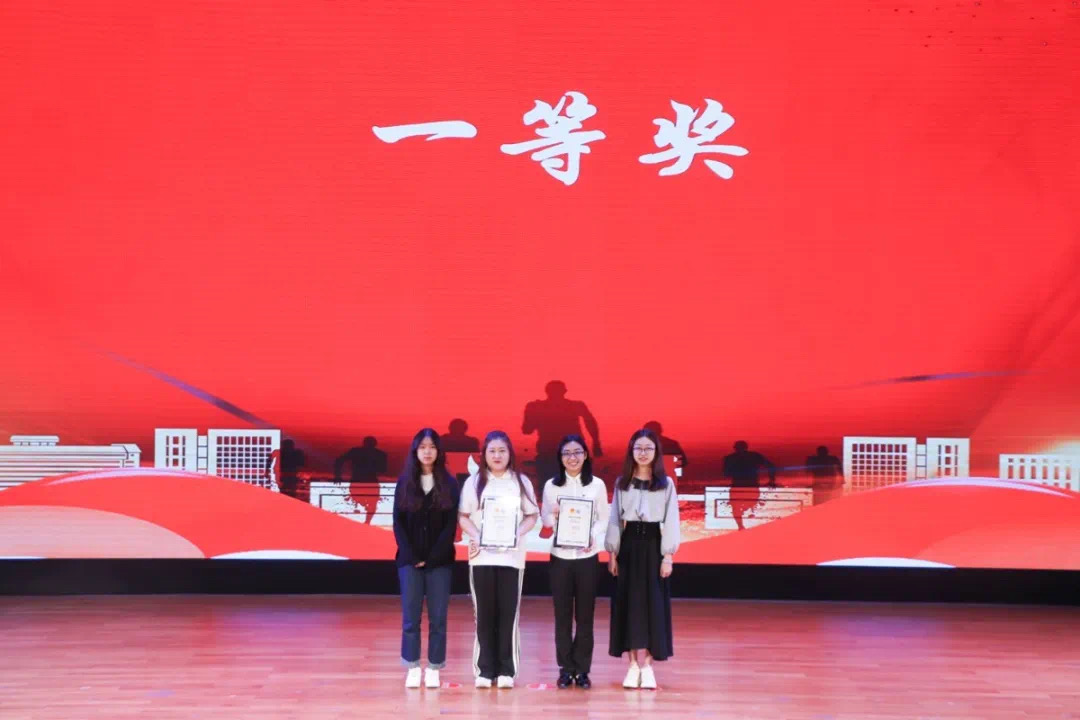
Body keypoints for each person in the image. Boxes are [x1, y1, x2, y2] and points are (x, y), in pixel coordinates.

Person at [458, 431, 540, 689]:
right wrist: (478, 536)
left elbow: (532, 515)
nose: (497, 455)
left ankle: (506, 669)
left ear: (510, 454)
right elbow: (463, 516)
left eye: (502, 450)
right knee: (484, 614)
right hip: (481, 558)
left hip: (511, 559)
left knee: (508, 614)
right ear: (484, 454)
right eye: (492, 451)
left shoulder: (521, 482)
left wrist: (516, 533)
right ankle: (485, 669)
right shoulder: (474, 482)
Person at [606, 428, 679, 690]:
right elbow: (615, 519)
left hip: (653, 547)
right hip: (628, 548)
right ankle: (632, 665)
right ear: (631, 452)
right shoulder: (622, 482)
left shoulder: (665, 483)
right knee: (629, 604)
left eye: (648, 448)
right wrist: (612, 553)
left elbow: (672, 520)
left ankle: (648, 666)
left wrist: (667, 556)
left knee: (653, 605)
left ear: (656, 452)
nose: (643, 453)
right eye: (638, 448)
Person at [540, 434, 609, 690]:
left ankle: (582, 670)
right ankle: (565, 669)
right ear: (560, 458)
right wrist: (553, 514)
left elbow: (604, 518)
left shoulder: (597, 485)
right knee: (562, 616)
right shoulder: (551, 486)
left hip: (587, 557)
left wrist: (592, 535)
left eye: (577, 452)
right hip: (560, 558)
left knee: (585, 616)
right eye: (567, 453)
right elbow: (546, 520)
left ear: (586, 455)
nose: (572, 458)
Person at [392, 428, 460, 689]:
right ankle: (412, 666)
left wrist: (431, 558)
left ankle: (434, 667)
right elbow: (398, 523)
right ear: (415, 451)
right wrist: (412, 556)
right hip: (409, 561)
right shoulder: (405, 482)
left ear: (439, 451)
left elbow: (450, 525)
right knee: (411, 618)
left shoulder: (449, 483)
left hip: (439, 562)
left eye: (432, 447)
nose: (427, 451)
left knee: (438, 618)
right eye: (422, 447)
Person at [522, 381, 602, 495]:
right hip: (556, 451)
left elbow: (527, 429)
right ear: (565, 391)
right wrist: (596, 443)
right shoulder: (575, 406)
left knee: (550, 489)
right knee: (570, 488)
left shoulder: (538, 407)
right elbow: (590, 422)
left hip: (552, 450)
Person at [722, 440, 776, 531]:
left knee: (736, 507)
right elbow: (770, 466)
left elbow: (726, 474)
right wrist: (771, 479)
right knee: (750, 503)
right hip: (751, 485)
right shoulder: (755, 456)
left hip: (737, 486)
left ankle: (740, 526)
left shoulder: (730, 458)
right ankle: (742, 522)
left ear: (735, 448)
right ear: (746, 447)